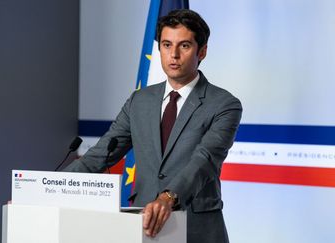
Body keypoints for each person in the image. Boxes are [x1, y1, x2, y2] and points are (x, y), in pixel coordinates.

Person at [65, 9, 242, 243]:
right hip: (144, 227)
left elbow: (205, 160)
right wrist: (44, 191)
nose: (174, 55)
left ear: (203, 51)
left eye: (185, 46)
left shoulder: (224, 104)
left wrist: (169, 197)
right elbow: (100, 155)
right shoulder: (140, 100)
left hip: (197, 229)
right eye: (167, 45)